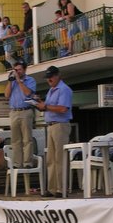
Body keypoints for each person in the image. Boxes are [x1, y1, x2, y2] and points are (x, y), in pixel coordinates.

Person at [31, 65, 72, 196]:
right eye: (47, 78)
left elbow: (63, 109)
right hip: (50, 125)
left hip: (60, 125)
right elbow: (48, 107)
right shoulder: (51, 90)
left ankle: (61, 188)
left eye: (51, 77)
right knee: (51, 159)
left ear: (57, 75)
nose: (49, 80)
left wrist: (46, 106)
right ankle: (52, 188)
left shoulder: (64, 89)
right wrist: (38, 104)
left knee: (60, 158)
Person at [5, 60, 36, 169]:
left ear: (24, 70)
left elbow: (28, 93)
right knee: (15, 140)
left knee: (27, 139)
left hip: (26, 110)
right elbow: (6, 95)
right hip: (14, 111)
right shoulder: (12, 81)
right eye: (16, 70)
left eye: (19, 70)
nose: (17, 72)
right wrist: (10, 81)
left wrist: (19, 81)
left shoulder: (30, 80)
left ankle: (27, 162)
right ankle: (17, 163)